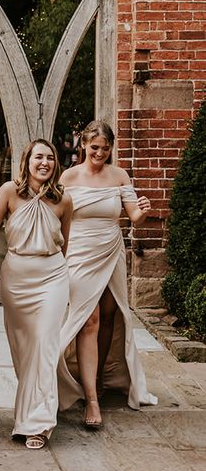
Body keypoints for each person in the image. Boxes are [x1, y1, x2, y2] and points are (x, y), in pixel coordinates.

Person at [0, 139, 71, 450]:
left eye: (50, 158)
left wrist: (63, 274)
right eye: (39, 157)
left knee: (44, 343)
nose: (45, 162)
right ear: (26, 161)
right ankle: (30, 408)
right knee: (23, 350)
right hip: (16, 278)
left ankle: (37, 422)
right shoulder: (8, 193)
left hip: (52, 276)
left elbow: (65, 242)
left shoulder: (64, 200)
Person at [58, 120, 157, 426]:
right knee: (86, 317)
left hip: (111, 251)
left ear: (111, 148)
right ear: (84, 145)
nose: (99, 152)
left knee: (110, 316)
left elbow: (134, 217)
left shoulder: (119, 175)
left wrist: (143, 209)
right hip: (79, 252)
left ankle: (98, 377)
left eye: (105, 148)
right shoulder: (68, 176)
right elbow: (58, 216)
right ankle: (80, 388)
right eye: (94, 147)